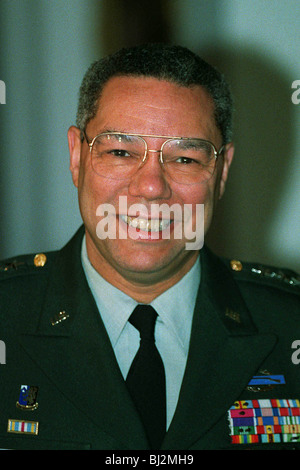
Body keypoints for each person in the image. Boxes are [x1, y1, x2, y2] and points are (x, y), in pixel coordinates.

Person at [0, 43, 299, 451]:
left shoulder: (289, 324)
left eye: (186, 159)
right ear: (76, 156)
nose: (152, 188)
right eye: (121, 152)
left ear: (222, 171)